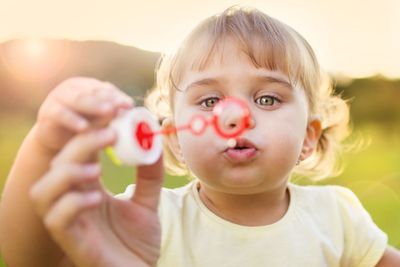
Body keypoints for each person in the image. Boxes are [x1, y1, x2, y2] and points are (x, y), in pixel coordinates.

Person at [1, 6, 399, 267]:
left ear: (309, 137)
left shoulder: (337, 218)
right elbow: (25, 260)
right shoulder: (151, 220)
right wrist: (45, 143)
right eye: (209, 100)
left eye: (267, 97)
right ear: (174, 138)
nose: (234, 116)